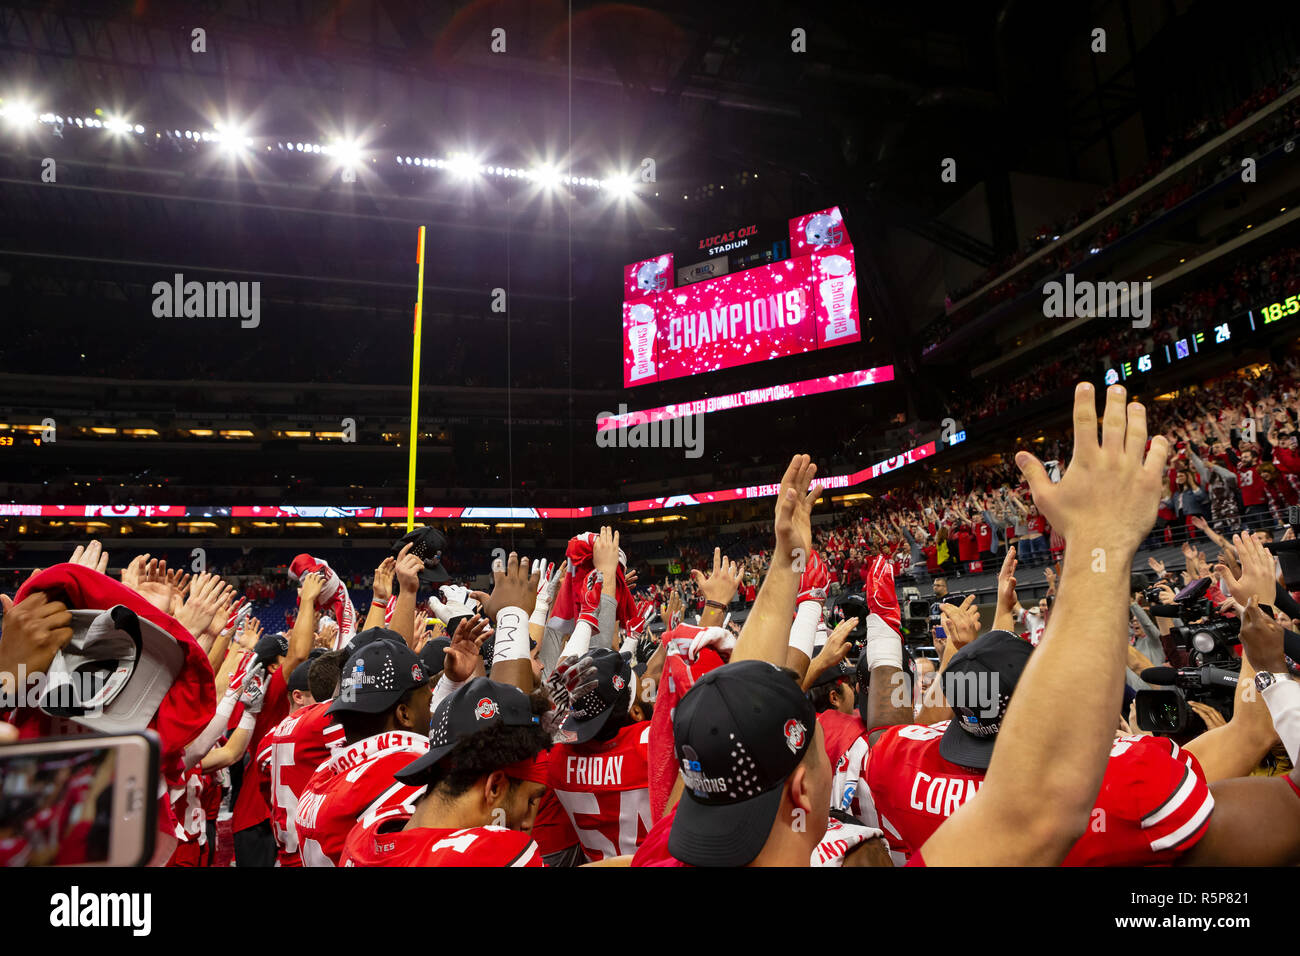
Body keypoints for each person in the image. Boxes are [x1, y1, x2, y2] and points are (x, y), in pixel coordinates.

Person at [340, 677, 550, 867]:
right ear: (494, 786)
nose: (526, 822)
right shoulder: (495, 854)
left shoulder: (365, 833)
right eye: (530, 800)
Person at [294, 635, 434, 866]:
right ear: (404, 714)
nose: (431, 714)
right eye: (428, 705)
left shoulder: (323, 774)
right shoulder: (403, 771)